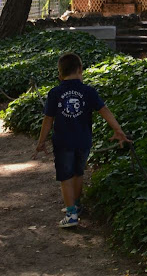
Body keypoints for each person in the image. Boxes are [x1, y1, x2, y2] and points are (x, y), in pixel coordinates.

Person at [33, 52, 131, 228]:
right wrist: (118, 129)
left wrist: (41, 141)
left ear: (59, 74)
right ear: (80, 70)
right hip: (84, 141)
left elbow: (48, 119)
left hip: (63, 142)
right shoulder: (88, 91)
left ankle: (71, 213)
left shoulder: (55, 93)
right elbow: (104, 110)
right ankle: (76, 206)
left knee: (65, 176)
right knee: (78, 173)